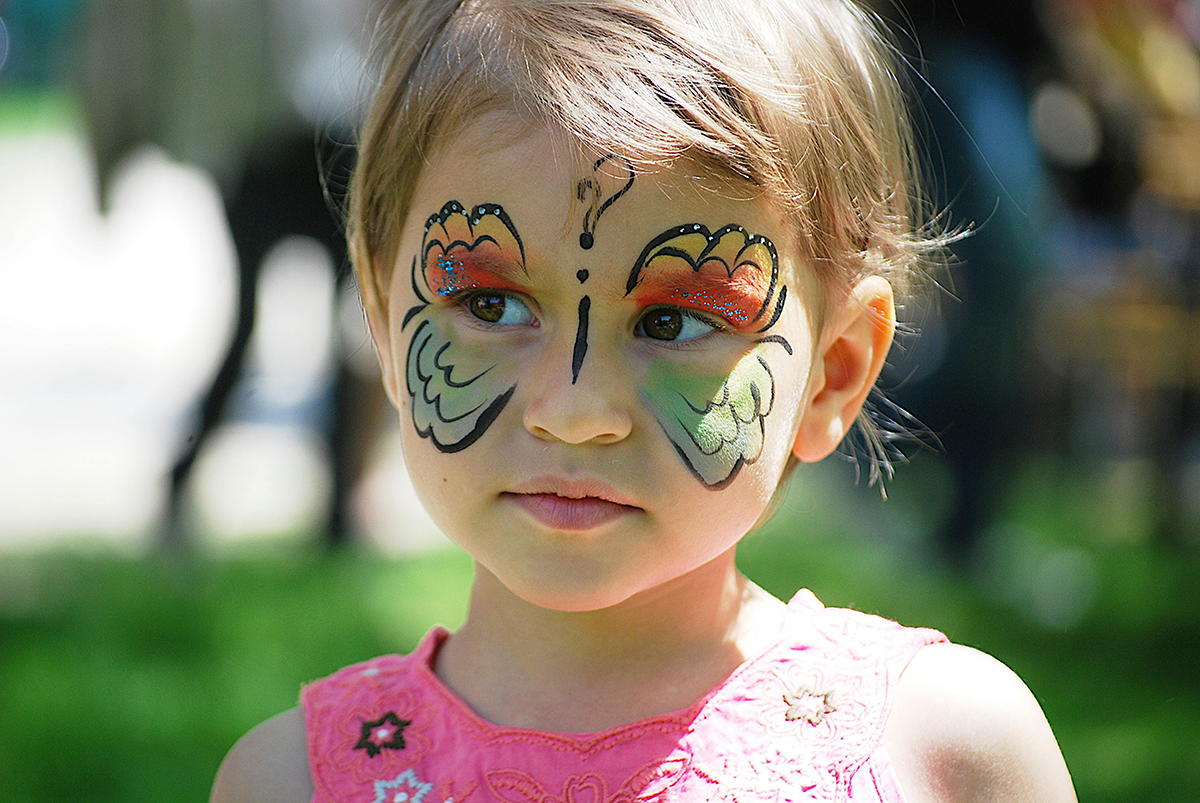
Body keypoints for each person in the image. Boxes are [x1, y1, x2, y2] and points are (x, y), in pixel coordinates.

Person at [211, 0, 1078, 800]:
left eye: (673, 320)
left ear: (835, 371)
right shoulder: (293, 781)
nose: (576, 408)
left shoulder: (944, 755)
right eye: (490, 305)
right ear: (383, 324)